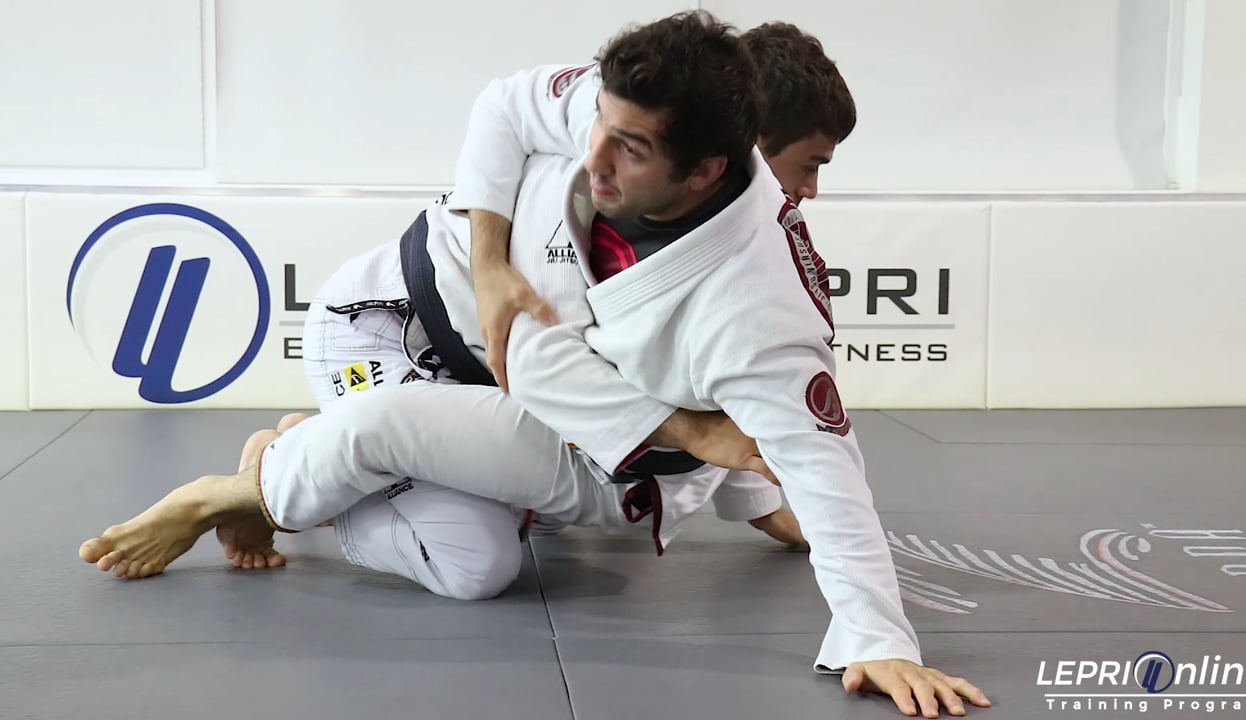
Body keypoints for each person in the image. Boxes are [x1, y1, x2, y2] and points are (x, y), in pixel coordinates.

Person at [78, 11, 989, 718]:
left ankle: (304, 460)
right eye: (600, 124)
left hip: (517, 383)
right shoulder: (623, 112)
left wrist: (878, 635)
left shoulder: (763, 305)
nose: (592, 154)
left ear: (711, 169)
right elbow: (505, 107)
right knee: (405, 458)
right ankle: (246, 487)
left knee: (473, 565)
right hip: (388, 336)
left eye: (629, 149)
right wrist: (490, 266)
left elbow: (818, 458)